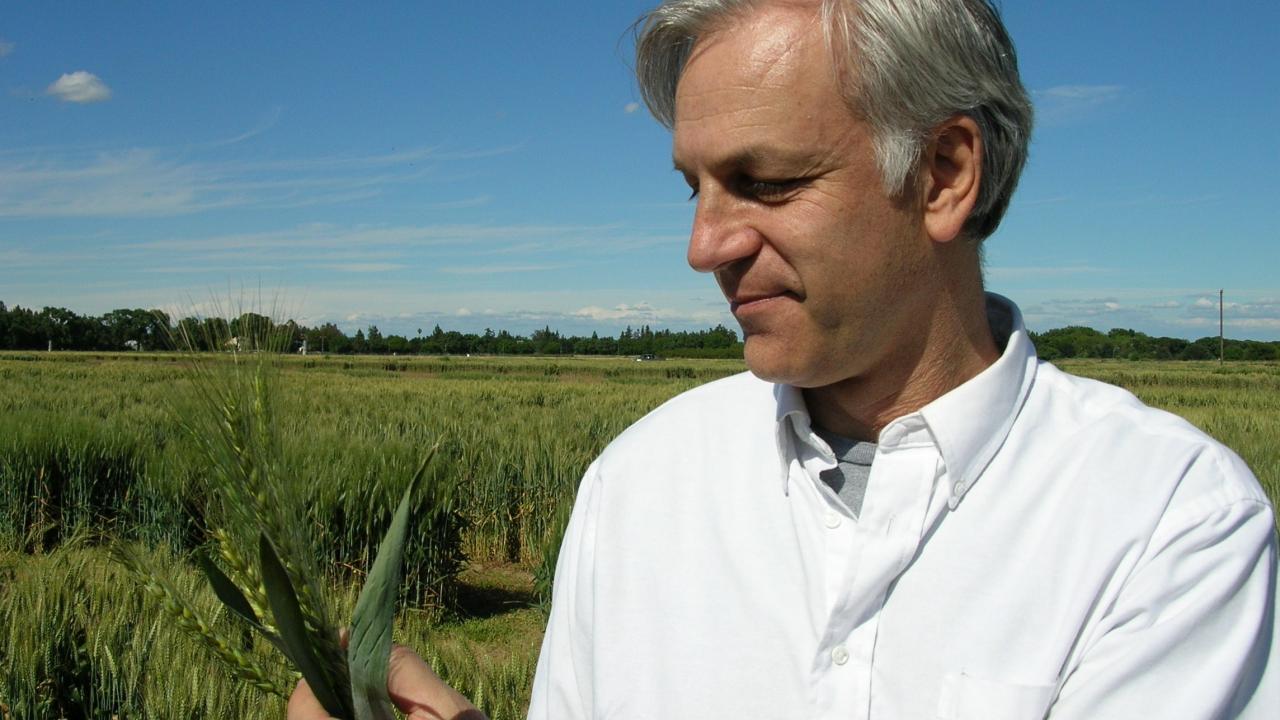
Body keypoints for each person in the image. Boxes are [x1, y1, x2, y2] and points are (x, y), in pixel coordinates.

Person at [291, 0, 1278, 717]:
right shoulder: (638, 484)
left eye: (761, 182)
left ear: (941, 173)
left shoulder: (1164, 522)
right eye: (694, 188)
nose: (703, 246)